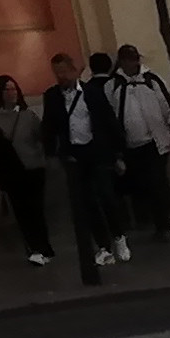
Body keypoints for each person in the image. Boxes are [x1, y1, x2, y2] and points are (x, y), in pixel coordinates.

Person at [41, 51, 127, 267]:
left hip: (96, 151)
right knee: (87, 202)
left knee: (106, 195)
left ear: (73, 70)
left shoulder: (92, 93)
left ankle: (119, 237)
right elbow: (49, 126)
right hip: (73, 155)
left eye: (64, 71)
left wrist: (117, 154)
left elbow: (108, 121)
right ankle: (103, 246)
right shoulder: (52, 96)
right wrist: (51, 154)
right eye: (57, 72)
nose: (62, 77)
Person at [0, 74, 56, 266]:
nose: (11, 93)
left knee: (36, 209)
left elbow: (42, 137)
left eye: (14, 89)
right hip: (11, 171)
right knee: (21, 211)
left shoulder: (28, 115)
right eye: (7, 89)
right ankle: (34, 247)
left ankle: (43, 247)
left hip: (33, 168)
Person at [110, 44, 170, 243]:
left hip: (155, 142)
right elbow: (111, 115)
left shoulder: (153, 80)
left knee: (157, 181)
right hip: (131, 145)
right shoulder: (114, 85)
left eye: (134, 59)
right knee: (143, 184)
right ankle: (153, 219)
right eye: (127, 60)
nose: (131, 63)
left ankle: (163, 224)